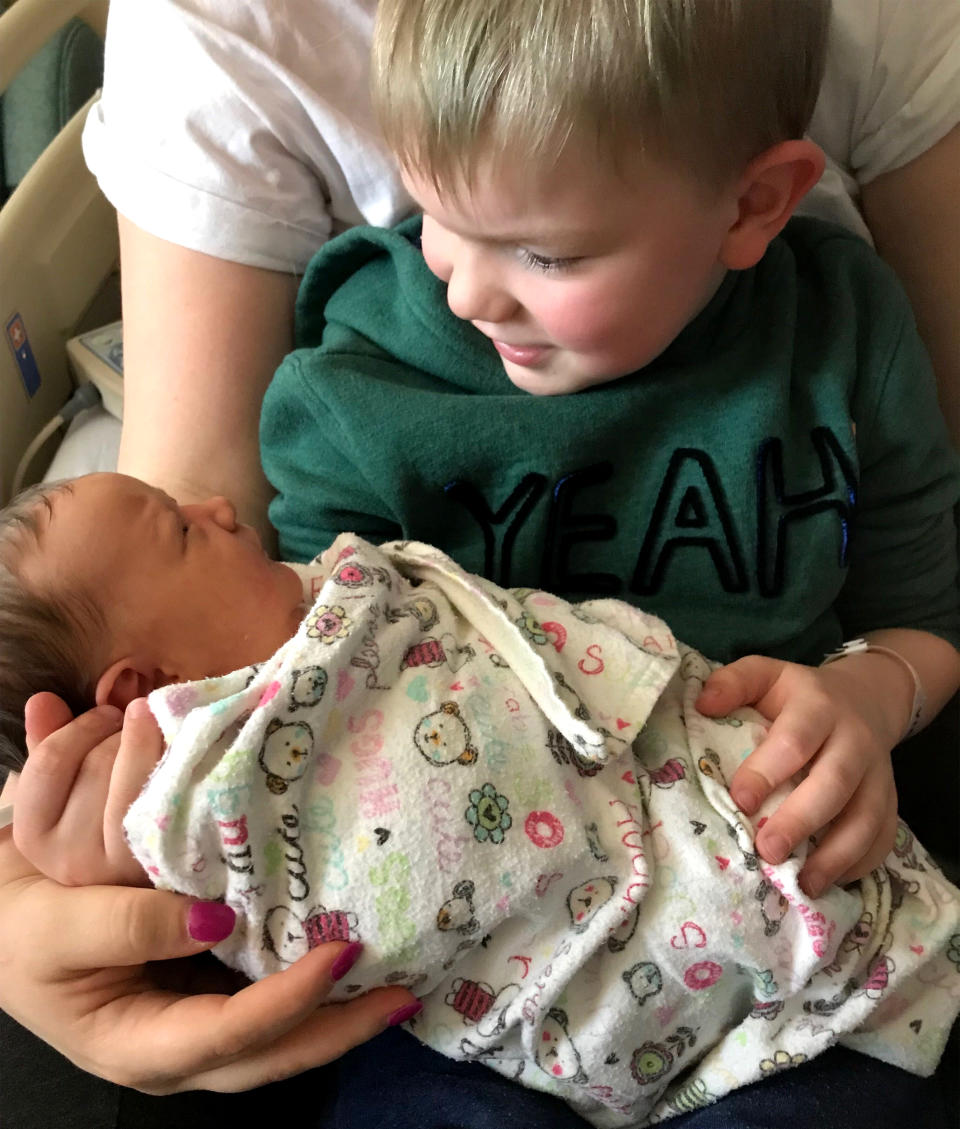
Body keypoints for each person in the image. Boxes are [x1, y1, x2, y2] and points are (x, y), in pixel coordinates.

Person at [1, 0, 958, 1124]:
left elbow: (921, 605)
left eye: (547, 252)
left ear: (755, 202)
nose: (463, 290)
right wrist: (84, 853)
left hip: (782, 905)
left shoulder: (843, 335)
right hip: (466, 973)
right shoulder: (357, 383)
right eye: (431, 215)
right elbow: (233, 646)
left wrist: (867, 691)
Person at [1, 471, 958, 1127]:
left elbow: (932, 616)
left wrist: (878, 688)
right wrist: (111, 859)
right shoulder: (212, 797)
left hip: (797, 969)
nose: (220, 503)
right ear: (140, 687)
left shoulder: (361, 601)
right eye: (180, 528)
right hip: (460, 1027)